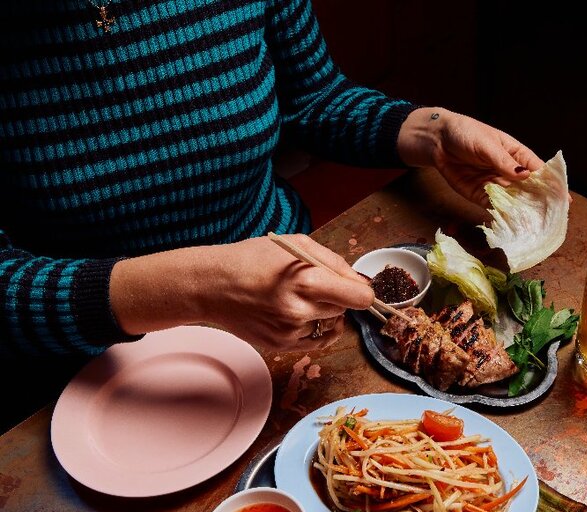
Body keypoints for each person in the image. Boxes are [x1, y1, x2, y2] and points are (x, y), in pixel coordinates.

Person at [0, 1, 543, 428]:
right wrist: (197, 288)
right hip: (90, 371)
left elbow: (312, 98)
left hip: (297, 312)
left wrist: (430, 133)